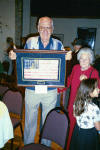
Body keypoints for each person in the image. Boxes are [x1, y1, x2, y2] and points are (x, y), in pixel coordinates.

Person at [9, 16, 71, 146]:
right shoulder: (30, 42)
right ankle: (29, 146)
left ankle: (44, 147)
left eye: (48, 27)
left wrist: (67, 58)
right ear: (37, 28)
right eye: (42, 27)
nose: (45, 30)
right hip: (32, 90)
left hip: (50, 91)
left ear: (52, 29)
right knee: (30, 122)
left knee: (48, 122)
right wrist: (15, 56)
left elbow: (61, 65)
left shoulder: (58, 44)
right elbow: (23, 60)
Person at [66, 47, 100, 150]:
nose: (84, 61)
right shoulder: (75, 68)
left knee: (81, 133)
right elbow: (68, 81)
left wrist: (87, 81)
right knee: (71, 130)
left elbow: (97, 89)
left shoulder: (94, 72)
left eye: (86, 59)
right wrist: (59, 88)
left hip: (85, 110)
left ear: (90, 60)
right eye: (81, 58)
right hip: (73, 105)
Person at [70, 78, 100, 150]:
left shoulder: (77, 102)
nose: (99, 89)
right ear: (89, 92)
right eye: (96, 88)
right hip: (89, 135)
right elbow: (97, 126)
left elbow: (75, 115)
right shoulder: (94, 108)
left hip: (77, 132)